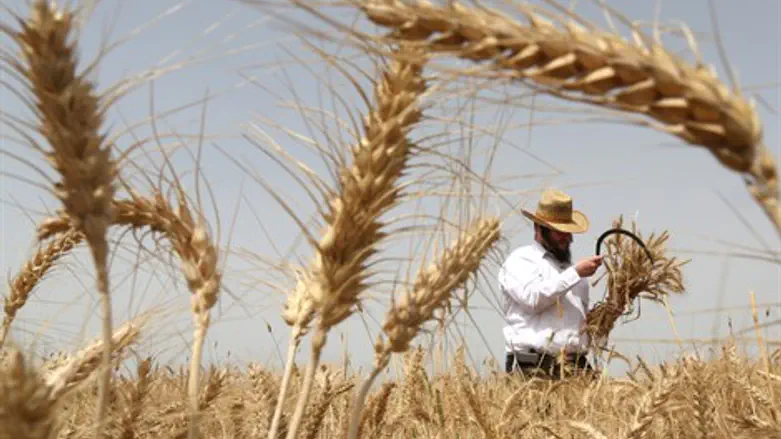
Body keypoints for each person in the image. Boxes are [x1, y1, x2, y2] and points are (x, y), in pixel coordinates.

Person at [499, 188, 603, 379]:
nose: (567, 237)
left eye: (568, 232)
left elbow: (579, 322)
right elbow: (532, 299)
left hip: (576, 366)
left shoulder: (574, 274)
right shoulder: (521, 260)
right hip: (534, 366)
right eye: (559, 231)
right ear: (539, 228)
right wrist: (575, 273)